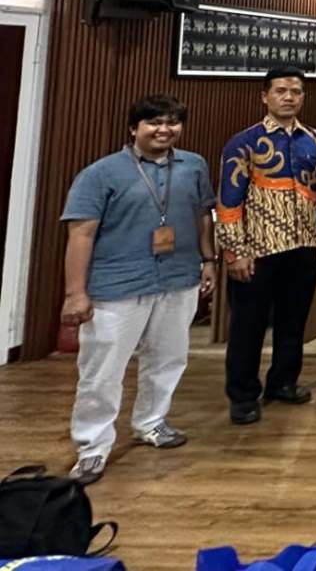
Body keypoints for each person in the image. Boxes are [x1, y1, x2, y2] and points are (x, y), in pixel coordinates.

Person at [61, 95, 216, 484]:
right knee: (102, 368)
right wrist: (75, 293)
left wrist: (208, 260)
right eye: (154, 123)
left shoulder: (194, 165)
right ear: (134, 128)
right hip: (117, 284)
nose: (164, 129)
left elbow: (203, 215)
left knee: (168, 357)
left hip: (179, 277)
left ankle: (151, 421)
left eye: (172, 122)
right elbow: (81, 234)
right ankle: (92, 446)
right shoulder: (100, 174)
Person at [216, 67, 316, 425]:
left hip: (304, 245)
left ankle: (283, 381)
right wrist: (234, 251)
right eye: (281, 91)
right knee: (248, 326)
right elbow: (229, 200)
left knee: (293, 321)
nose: (288, 97)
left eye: (295, 92)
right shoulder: (244, 142)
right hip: (258, 249)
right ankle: (242, 394)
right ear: (265, 96)